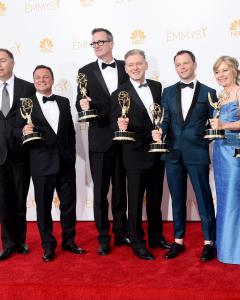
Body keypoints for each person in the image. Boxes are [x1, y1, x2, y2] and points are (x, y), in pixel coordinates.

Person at [15, 65, 85, 262]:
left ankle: (69, 242)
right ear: (34, 81)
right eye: (38, 77)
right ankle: (48, 246)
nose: (42, 80)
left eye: (46, 77)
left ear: (52, 80)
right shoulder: (25, 103)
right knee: (43, 208)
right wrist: (23, 131)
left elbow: (70, 131)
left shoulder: (63, 102)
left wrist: (70, 156)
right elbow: (16, 129)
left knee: (69, 206)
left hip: (65, 164)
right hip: (41, 164)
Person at [152, 50, 216, 260]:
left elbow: (214, 125)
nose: (182, 67)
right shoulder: (168, 92)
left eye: (185, 63)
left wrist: (201, 139)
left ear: (194, 64)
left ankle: (209, 242)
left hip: (197, 153)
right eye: (178, 64)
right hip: (172, 153)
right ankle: (178, 240)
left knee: (204, 198)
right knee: (177, 198)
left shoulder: (210, 92)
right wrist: (159, 131)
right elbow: (165, 119)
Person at [111, 49, 171, 260]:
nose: (135, 67)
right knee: (135, 201)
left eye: (139, 63)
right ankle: (137, 241)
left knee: (156, 200)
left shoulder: (156, 87)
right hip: (134, 154)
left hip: (156, 151)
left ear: (146, 65)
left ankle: (156, 236)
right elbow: (113, 124)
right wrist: (119, 124)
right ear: (125, 68)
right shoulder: (119, 93)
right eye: (130, 65)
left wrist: (160, 133)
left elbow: (160, 116)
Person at [75, 28, 129, 255]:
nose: (96, 45)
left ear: (112, 43)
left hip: (124, 138)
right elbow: (81, 102)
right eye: (93, 43)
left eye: (100, 41)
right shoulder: (84, 71)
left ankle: (121, 232)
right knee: (100, 193)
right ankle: (103, 237)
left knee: (120, 190)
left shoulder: (127, 67)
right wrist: (82, 105)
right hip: (99, 140)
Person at [209, 56, 240, 265]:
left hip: (236, 151)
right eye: (217, 72)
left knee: (235, 199)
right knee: (224, 198)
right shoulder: (221, 95)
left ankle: (239, 252)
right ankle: (225, 248)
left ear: (234, 70)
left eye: (225, 70)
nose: (221, 75)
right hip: (219, 151)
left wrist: (222, 125)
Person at [0, 49, 35, 260]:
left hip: (22, 154)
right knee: (3, 202)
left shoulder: (27, 87)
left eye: (2, 60)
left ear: (12, 63)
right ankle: (7, 243)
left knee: (20, 200)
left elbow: (33, 118)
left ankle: (21, 241)